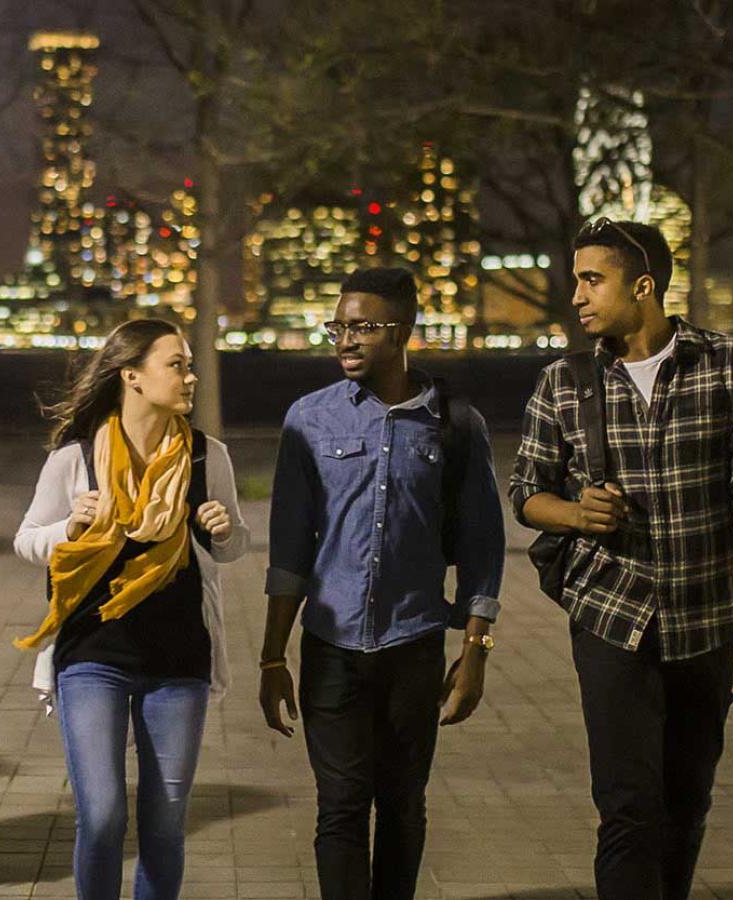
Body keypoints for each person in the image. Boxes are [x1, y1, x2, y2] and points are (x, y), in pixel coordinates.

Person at [509, 219, 733, 900]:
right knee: (627, 808)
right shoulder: (564, 382)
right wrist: (574, 512)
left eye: (593, 280)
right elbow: (526, 491)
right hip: (611, 618)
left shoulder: (730, 367)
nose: (578, 297)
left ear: (642, 285)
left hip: (707, 618)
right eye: (576, 280)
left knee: (687, 802)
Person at [259, 266, 504, 900]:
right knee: (339, 806)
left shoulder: (455, 424)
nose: (345, 339)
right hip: (331, 644)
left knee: (402, 804)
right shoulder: (307, 420)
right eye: (338, 325)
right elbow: (289, 546)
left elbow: (482, 546)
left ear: (403, 333)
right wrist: (271, 655)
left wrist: (474, 654)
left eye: (363, 326)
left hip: (415, 643)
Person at [13, 318, 249, 900]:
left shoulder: (204, 456)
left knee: (166, 825)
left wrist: (223, 530)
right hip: (91, 656)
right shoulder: (76, 459)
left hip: (179, 663)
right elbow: (26, 539)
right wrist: (69, 526)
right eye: (177, 365)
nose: (190, 377)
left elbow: (234, 543)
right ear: (132, 376)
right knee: (102, 816)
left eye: (190, 365)